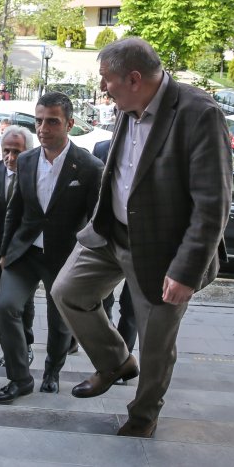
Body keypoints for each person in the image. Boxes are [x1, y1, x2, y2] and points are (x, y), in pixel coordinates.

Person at [52, 37, 232, 437]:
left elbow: (213, 205)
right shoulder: (127, 105)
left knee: (155, 345)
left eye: (106, 79)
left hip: (164, 252)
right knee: (67, 292)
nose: (102, 87)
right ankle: (115, 362)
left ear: (134, 79)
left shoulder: (199, 114)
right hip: (110, 233)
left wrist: (186, 271)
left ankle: (143, 414)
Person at [0, 92, 103, 403]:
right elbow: (15, 209)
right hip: (25, 251)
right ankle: (19, 378)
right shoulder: (26, 160)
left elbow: (96, 221)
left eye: (52, 122)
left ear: (69, 124)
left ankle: (52, 371)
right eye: (39, 121)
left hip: (65, 256)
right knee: (6, 306)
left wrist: (91, 264)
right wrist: (4, 250)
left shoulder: (89, 167)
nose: (43, 128)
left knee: (60, 321)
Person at [0, 125, 35, 367]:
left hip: (25, 252)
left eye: (17, 152)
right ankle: (8, 341)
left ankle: (25, 344)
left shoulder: (34, 174)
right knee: (0, 298)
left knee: (24, 302)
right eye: (6, 151)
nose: (10, 157)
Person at [93, 138, 138, 354]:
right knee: (101, 299)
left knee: (131, 306)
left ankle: (123, 356)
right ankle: (109, 346)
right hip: (109, 237)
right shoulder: (102, 148)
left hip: (141, 242)